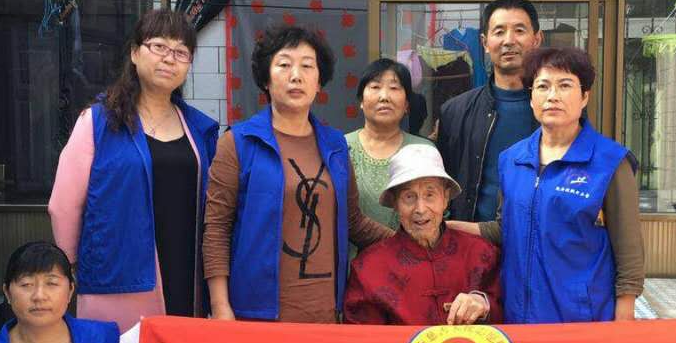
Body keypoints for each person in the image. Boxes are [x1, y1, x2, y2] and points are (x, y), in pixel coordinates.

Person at [203, 25, 392, 323]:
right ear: (266, 79)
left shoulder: (335, 145)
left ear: (319, 82)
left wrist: (411, 241)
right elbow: (217, 229)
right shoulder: (238, 143)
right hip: (256, 316)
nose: (296, 75)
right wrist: (220, 306)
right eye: (284, 65)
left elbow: (353, 221)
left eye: (307, 66)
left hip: (326, 314)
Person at [49, 9, 219, 332]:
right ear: (134, 53)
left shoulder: (199, 128)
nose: (169, 59)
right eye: (159, 47)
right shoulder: (99, 122)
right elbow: (63, 205)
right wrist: (69, 267)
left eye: (181, 52)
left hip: (186, 266)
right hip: (120, 273)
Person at [452, 47, 644, 323]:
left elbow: (629, 250)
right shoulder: (512, 159)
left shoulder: (609, 162)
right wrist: (448, 227)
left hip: (583, 318)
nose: (553, 95)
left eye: (565, 85)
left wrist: (624, 317)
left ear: (584, 96)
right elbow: (506, 228)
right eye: (543, 86)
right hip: (518, 315)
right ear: (531, 98)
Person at [344, 145, 501, 325]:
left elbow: (508, 314)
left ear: (445, 199)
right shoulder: (368, 268)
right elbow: (362, 338)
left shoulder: (481, 254)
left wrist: (483, 304)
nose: (420, 209)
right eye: (409, 197)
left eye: (430, 195)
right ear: (395, 203)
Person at [435, 0, 543, 222]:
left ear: (537, 39)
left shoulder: (556, 109)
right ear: (485, 43)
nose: (509, 41)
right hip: (472, 237)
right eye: (499, 32)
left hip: (541, 235)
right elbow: (443, 182)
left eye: (519, 30)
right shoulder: (455, 112)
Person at [346, 58, 434, 231]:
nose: (384, 97)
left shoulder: (424, 150)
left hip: (412, 248)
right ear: (361, 101)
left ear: (407, 104)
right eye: (375, 87)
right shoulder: (340, 148)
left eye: (394, 88)